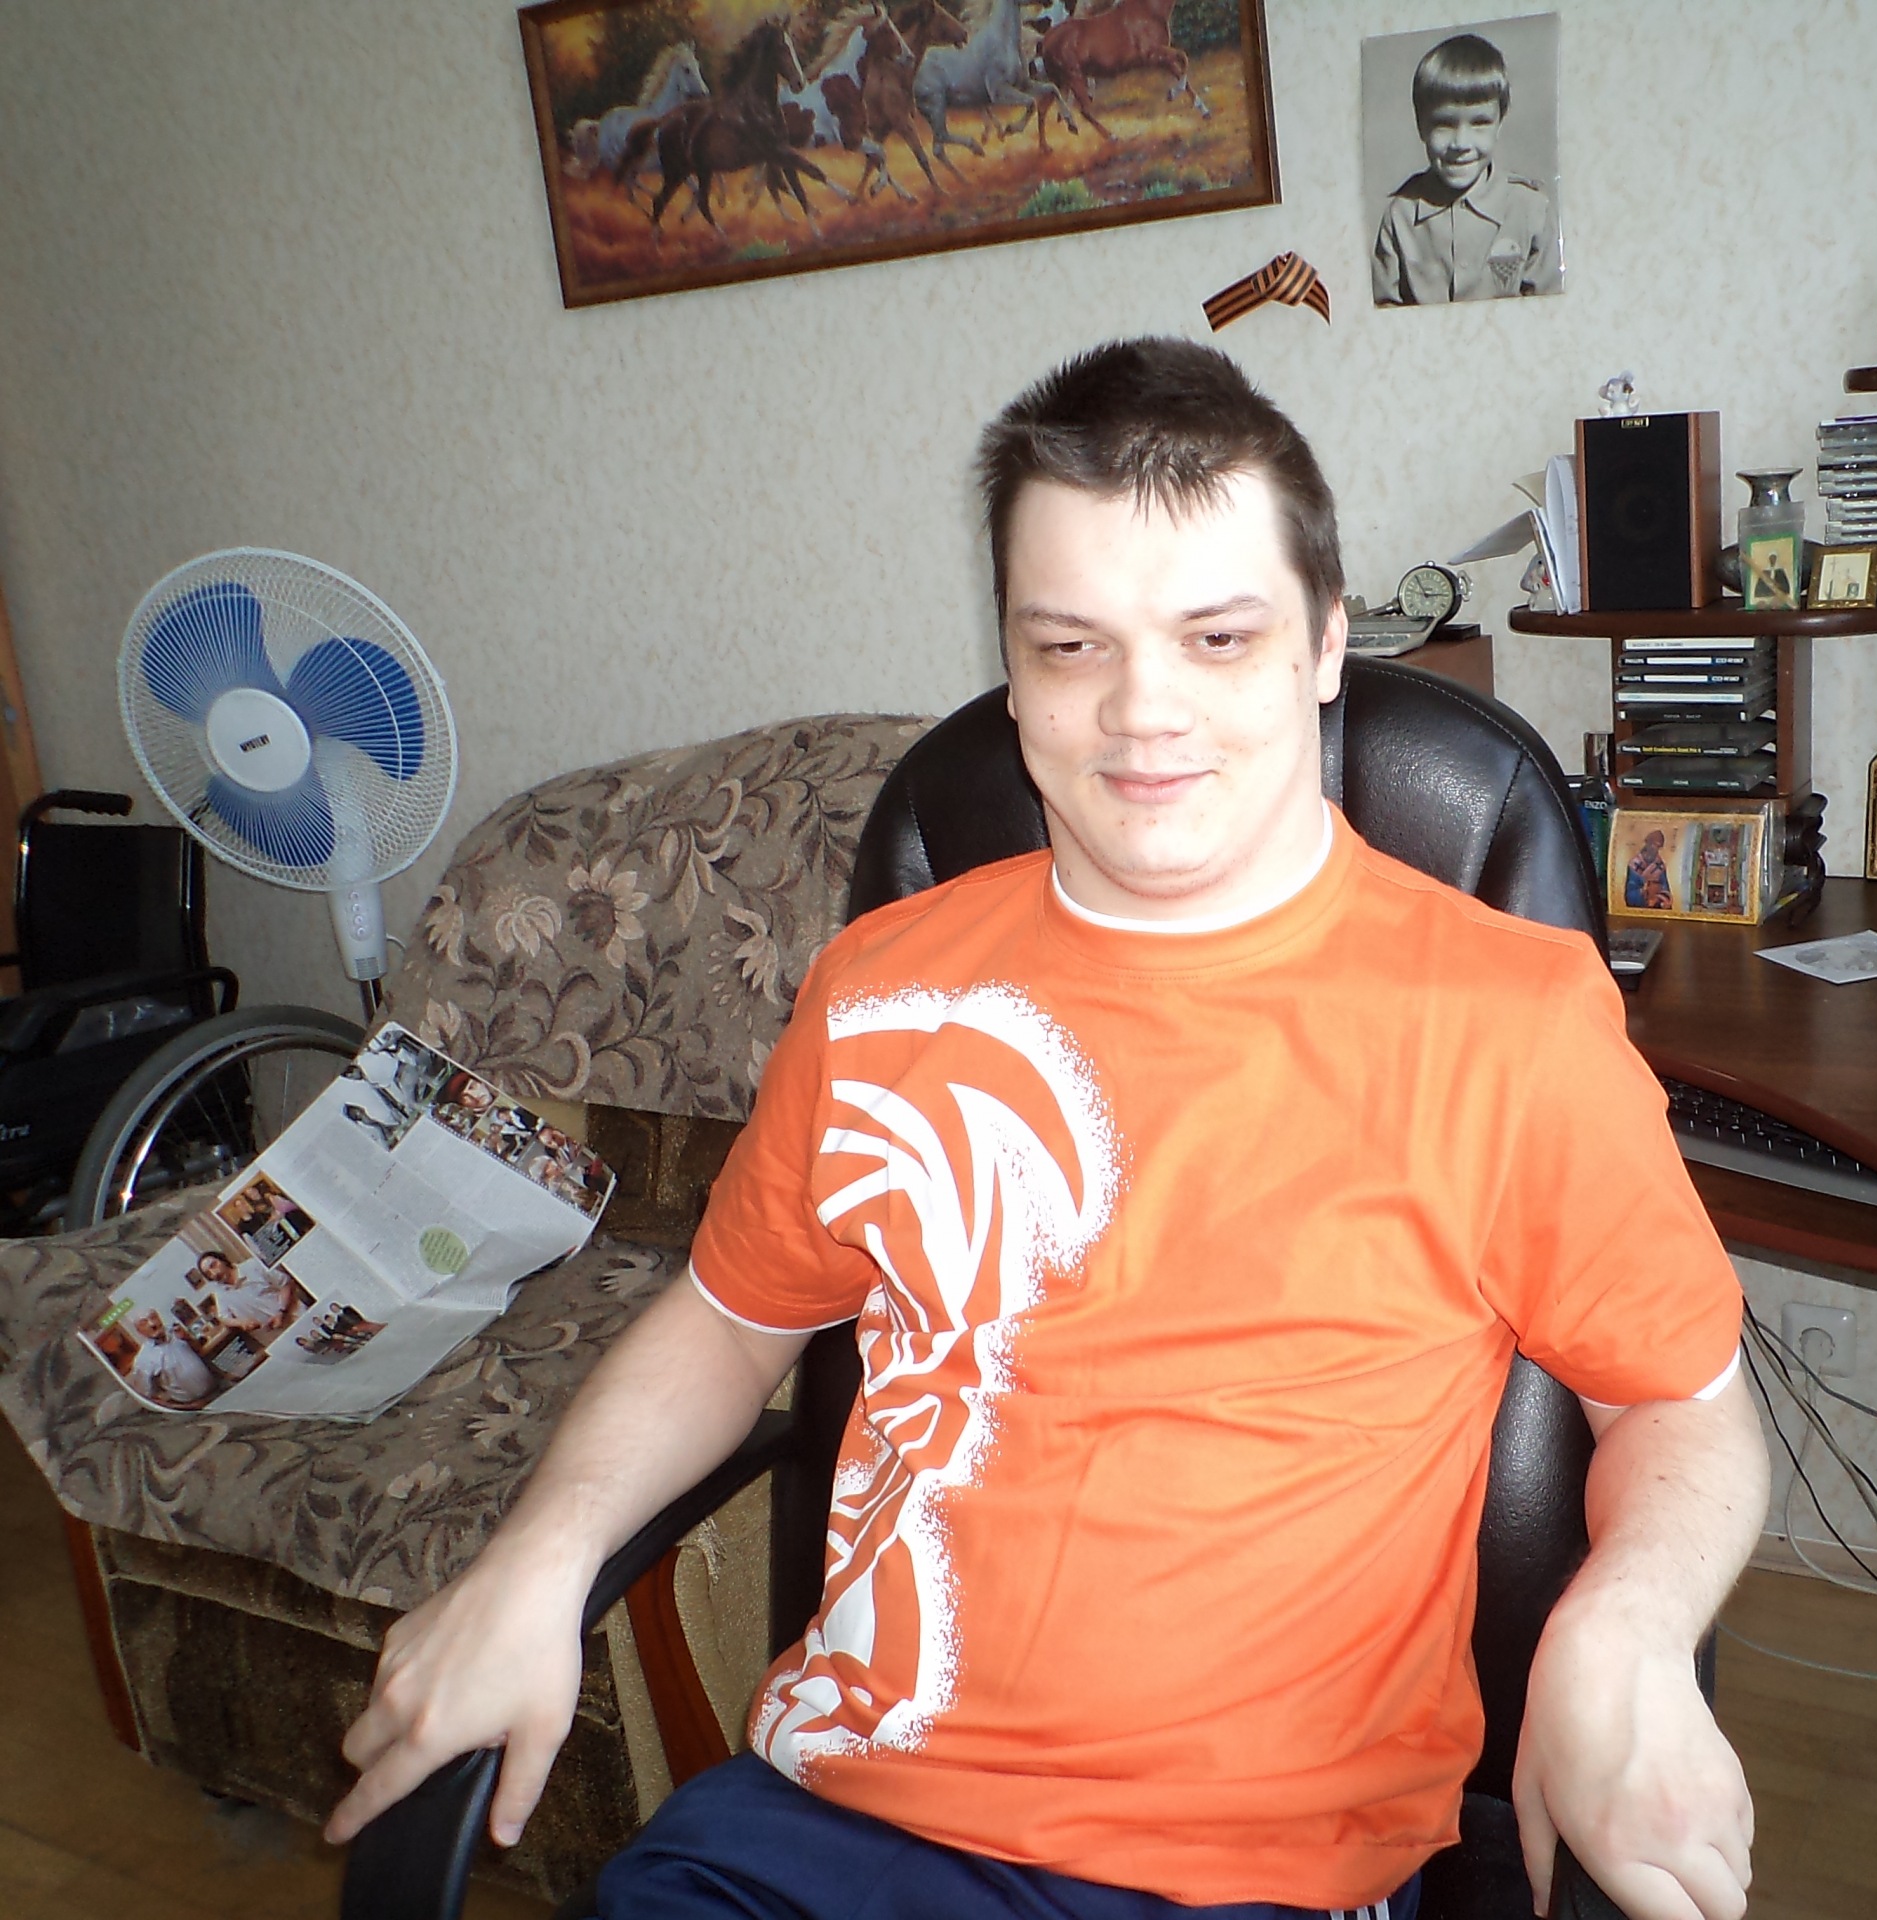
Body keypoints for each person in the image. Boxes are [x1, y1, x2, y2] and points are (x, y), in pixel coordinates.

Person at [326, 339, 1766, 1920]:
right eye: (1071, 646)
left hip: (1242, 1872)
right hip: (812, 1830)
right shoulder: (879, 986)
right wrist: (536, 1561)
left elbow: (1681, 1403)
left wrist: (1625, 1633)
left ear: (1324, 645)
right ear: (1011, 666)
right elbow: (729, 1324)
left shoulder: (1504, 1016)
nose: (1141, 714)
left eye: (1217, 637)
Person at [1372, 33, 1558, 306]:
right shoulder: (1400, 217)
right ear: (1421, 126)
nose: (1461, 143)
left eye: (1480, 123)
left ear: (1499, 124)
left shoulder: (1532, 211)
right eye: (1444, 124)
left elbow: (1552, 313)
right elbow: (1383, 313)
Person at [125, 1308, 218, 1409]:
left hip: (217, 1390)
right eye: (144, 1323)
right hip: (195, 1406)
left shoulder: (176, 1332)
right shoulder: (143, 1359)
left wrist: (187, 1338)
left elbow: (199, 1351)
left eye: (153, 1317)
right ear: (139, 1331)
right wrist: (186, 1407)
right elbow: (147, 1399)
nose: (152, 1324)